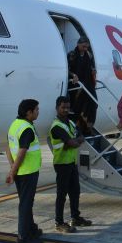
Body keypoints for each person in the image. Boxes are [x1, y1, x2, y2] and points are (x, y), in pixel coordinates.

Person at [49, 96, 93, 233]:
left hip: (71, 162)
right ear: (57, 108)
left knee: (75, 192)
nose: (66, 110)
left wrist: (73, 142)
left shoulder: (71, 123)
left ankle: (75, 217)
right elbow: (75, 142)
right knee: (61, 194)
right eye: (63, 107)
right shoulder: (56, 126)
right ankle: (59, 222)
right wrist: (73, 142)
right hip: (61, 164)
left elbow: (81, 138)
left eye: (68, 107)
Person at [6, 99, 43, 243]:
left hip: (21, 172)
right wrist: (13, 171)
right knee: (26, 204)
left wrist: (12, 170)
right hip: (28, 172)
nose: (38, 112)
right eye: (36, 110)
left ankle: (31, 229)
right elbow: (21, 152)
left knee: (26, 202)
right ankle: (23, 237)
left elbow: (8, 148)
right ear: (29, 112)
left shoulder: (14, 125)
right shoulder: (26, 128)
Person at [68, 36, 98, 133]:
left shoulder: (88, 55)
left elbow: (92, 66)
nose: (85, 49)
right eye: (83, 46)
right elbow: (67, 69)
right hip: (77, 84)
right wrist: (73, 75)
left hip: (88, 82)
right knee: (78, 106)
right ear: (78, 44)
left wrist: (93, 70)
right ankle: (77, 125)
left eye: (87, 47)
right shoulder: (72, 55)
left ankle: (89, 125)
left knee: (94, 102)